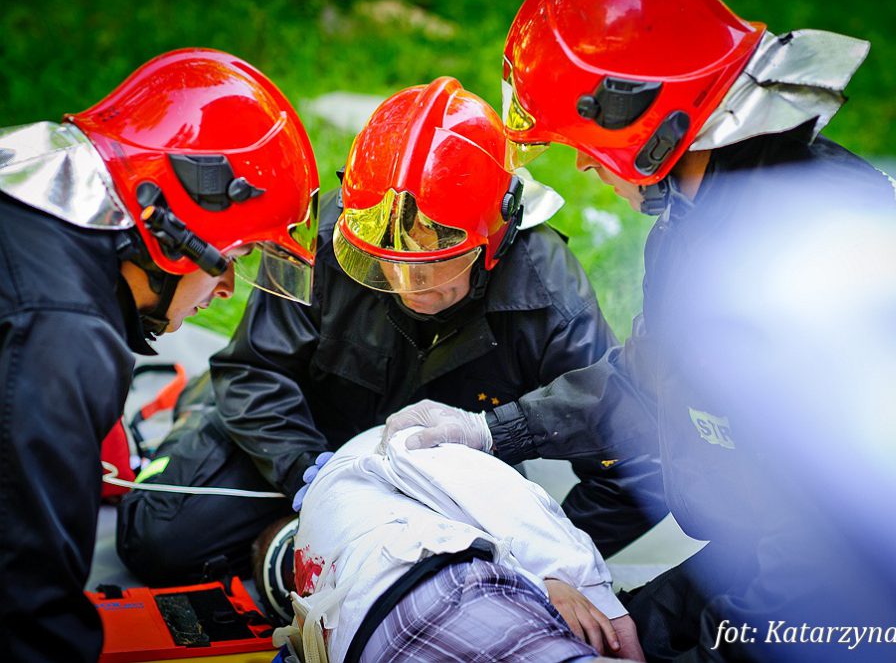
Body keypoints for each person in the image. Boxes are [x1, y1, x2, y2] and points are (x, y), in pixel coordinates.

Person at [378, 0, 896, 661]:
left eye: (584, 140)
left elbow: (820, 546)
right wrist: (489, 430)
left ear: (638, 117)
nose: (583, 163)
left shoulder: (804, 254)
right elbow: (647, 380)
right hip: (767, 540)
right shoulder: (704, 211)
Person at [116, 77, 667, 597]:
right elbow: (253, 370)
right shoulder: (331, 237)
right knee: (157, 538)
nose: (408, 286)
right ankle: (226, 451)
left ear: (494, 242)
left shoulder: (547, 294)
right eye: (386, 263)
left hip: (448, 480)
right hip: (307, 439)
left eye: (434, 264)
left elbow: (638, 467)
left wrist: (540, 562)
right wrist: (310, 478)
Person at [0, 48, 319, 663]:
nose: (225, 288)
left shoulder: (28, 180)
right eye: (232, 256)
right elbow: (28, 612)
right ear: (173, 235)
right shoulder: (63, 339)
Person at [272, 426, 645, 663]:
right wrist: (565, 576)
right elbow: (504, 497)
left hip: (387, 628)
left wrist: (556, 576)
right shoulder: (355, 469)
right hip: (440, 591)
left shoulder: (352, 473)